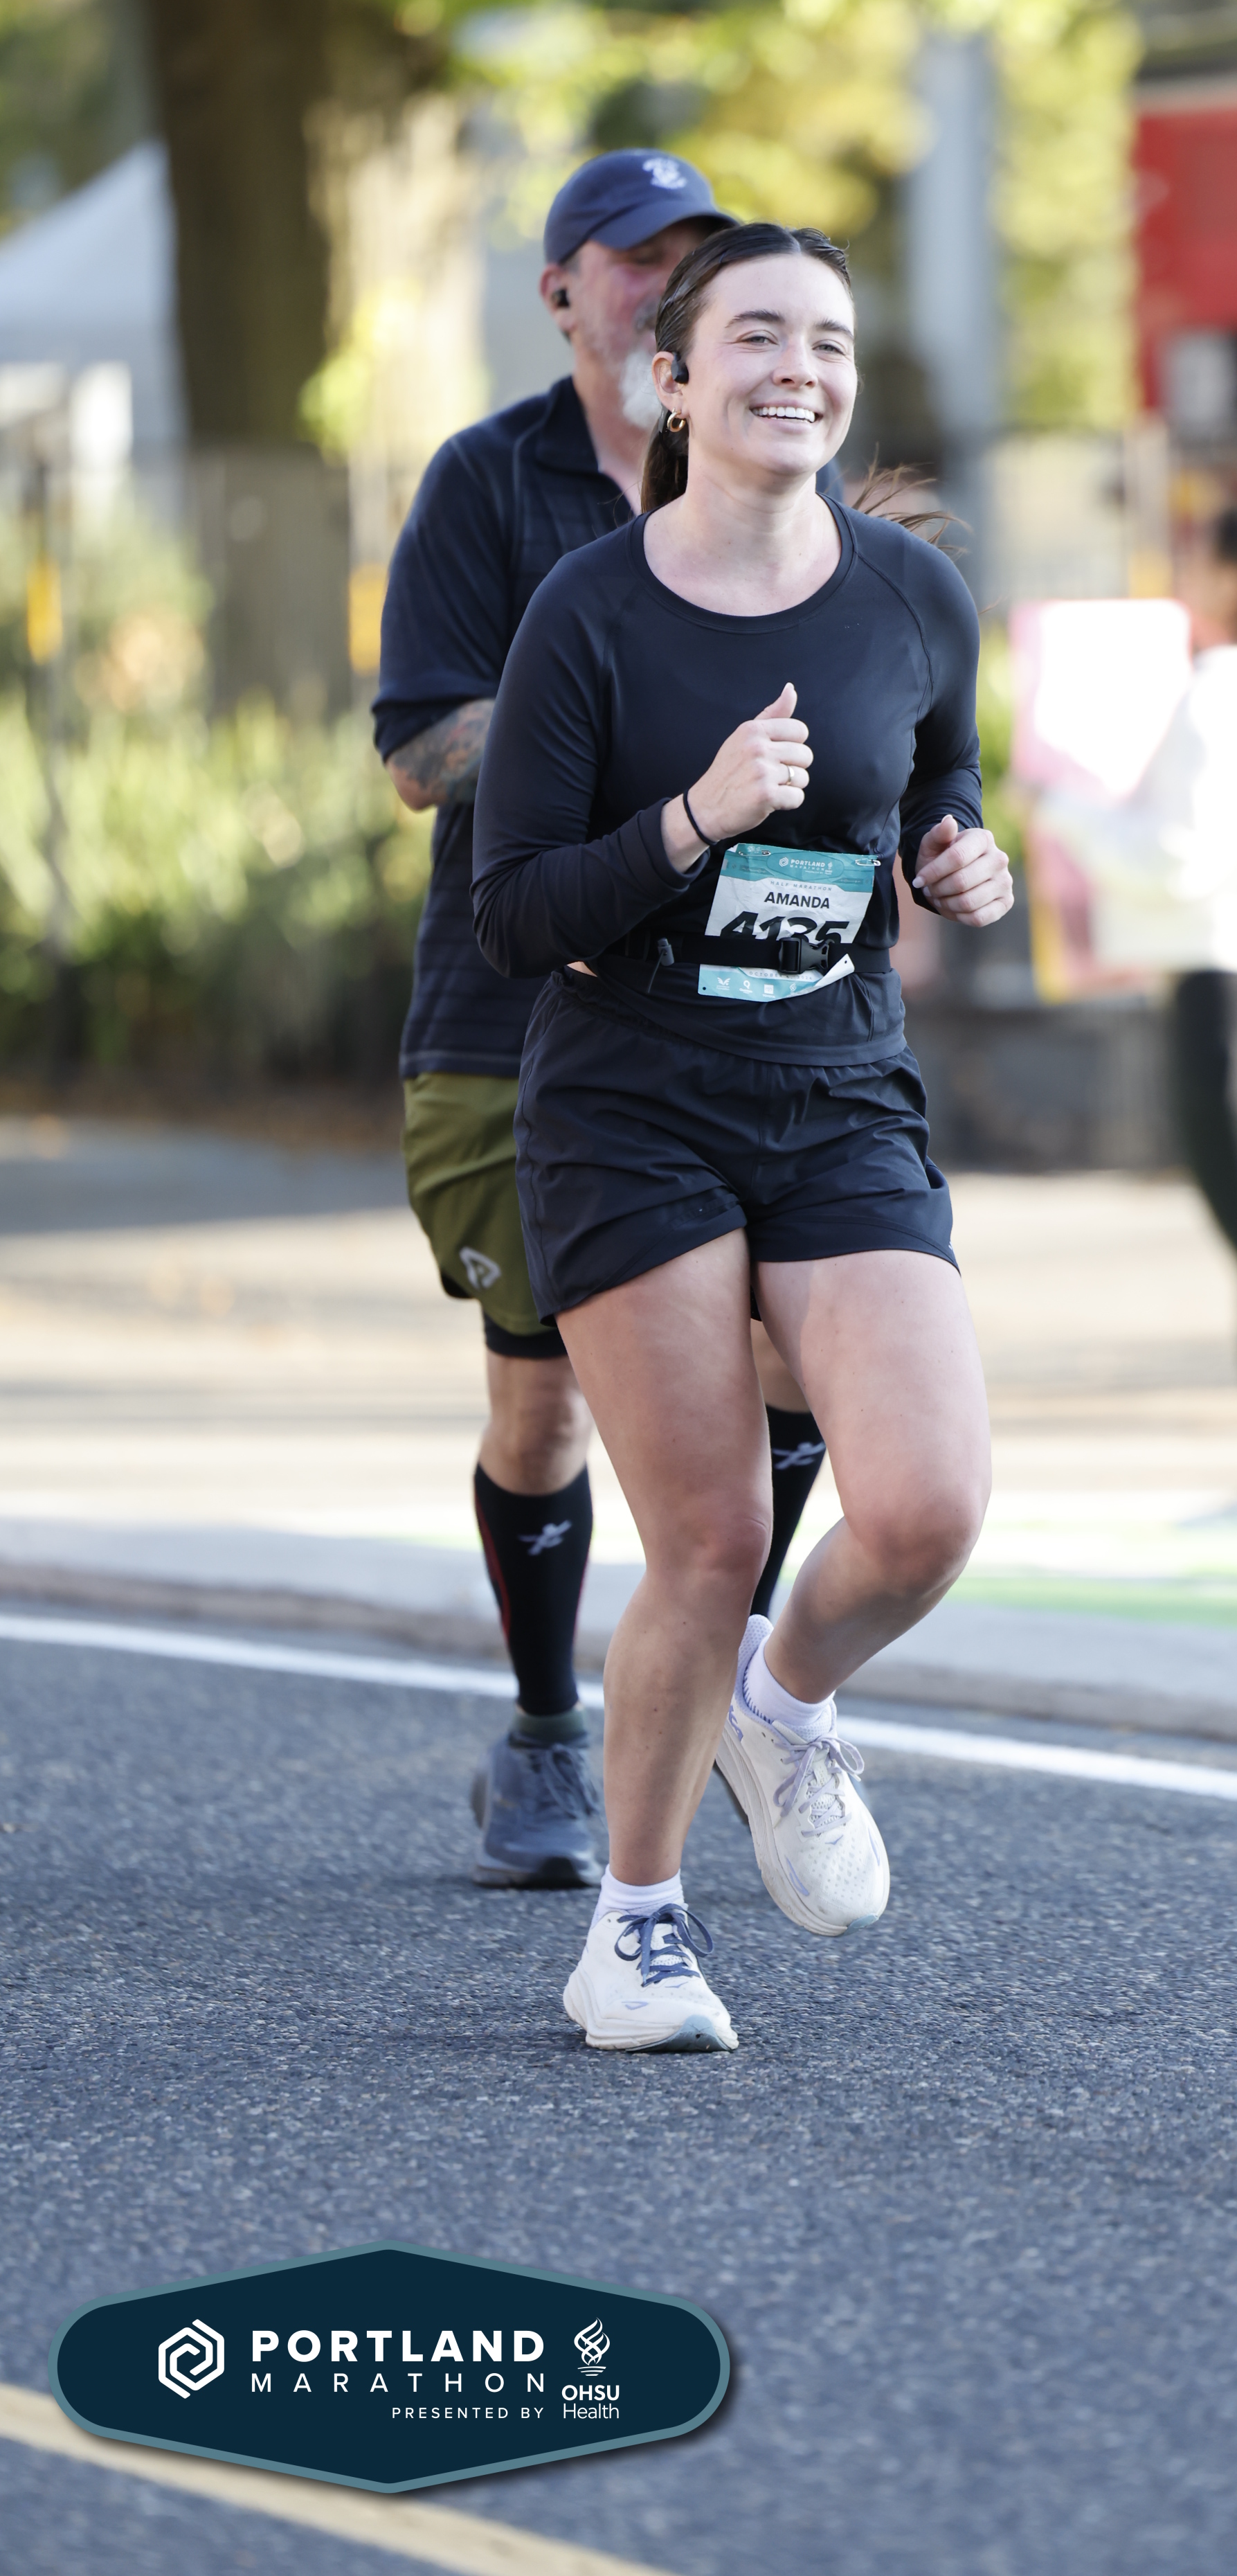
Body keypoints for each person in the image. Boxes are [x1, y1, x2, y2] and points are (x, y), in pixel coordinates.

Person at [471, 221, 1013, 2052]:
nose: (801, 366)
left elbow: (934, 785)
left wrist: (959, 859)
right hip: (631, 1104)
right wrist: (695, 819)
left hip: (838, 1087)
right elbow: (511, 915)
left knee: (927, 1507)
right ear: (673, 382)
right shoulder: (590, 613)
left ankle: (784, 1708)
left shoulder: (912, 595)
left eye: (830, 339)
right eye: (759, 335)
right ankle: (632, 1928)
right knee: (708, 1537)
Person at [373, 150, 831, 1894]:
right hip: (511, 1011)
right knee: (544, 1405)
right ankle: (547, 1726)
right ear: (563, 290)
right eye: (634, 260)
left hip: (739, 1008)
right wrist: (618, 709)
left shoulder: (774, 485)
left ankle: (734, 1681)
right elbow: (423, 754)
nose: (663, 286)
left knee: (796, 1356)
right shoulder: (487, 484)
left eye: (691, 262)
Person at [1031, 501, 1237, 1526]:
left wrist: (1067, 813)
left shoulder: (1226, 687)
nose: (1184, 574)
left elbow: (1180, 852)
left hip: (1225, 971)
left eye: (1199, 560)